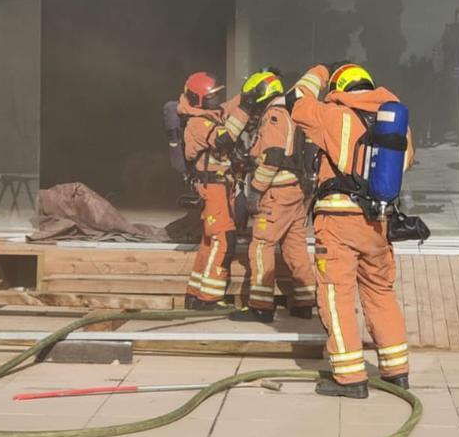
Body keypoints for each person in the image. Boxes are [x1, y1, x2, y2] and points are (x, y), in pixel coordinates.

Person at [285, 63, 412, 399]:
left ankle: (350, 378)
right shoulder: (395, 122)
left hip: (338, 221)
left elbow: (294, 100)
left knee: (335, 295)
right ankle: (396, 371)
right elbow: (406, 162)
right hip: (378, 223)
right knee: (380, 294)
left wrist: (317, 72)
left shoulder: (332, 115)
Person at [230, 69, 316, 323]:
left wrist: (255, 191)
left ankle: (260, 306)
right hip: (295, 192)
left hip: (277, 193)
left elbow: (273, 158)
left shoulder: (274, 115)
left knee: (261, 246)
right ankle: (304, 302)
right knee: (295, 246)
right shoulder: (292, 111)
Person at [177, 71, 248, 309]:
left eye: (219, 95)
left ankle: (194, 293)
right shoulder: (198, 123)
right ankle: (209, 298)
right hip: (213, 187)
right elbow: (224, 139)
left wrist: (248, 93)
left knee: (210, 241)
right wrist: (246, 109)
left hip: (220, 186)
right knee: (224, 239)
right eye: (212, 97)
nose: (217, 101)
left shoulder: (208, 114)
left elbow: (227, 108)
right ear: (198, 99)